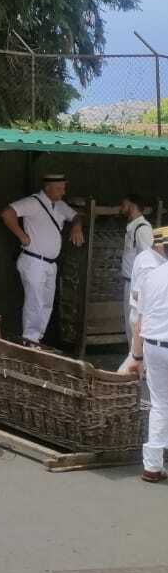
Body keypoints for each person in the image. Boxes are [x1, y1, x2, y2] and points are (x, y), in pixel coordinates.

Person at [1, 172, 84, 344]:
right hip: (34, 261)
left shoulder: (60, 205)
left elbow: (76, 216)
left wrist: (76, 226)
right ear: (48, 188)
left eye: (64, 188)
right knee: (35, 302)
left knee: (46, 304)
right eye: (60, 189)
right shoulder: (33, 202)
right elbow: (7, 213)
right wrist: (22, 236)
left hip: (50, 264)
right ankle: (29, 341)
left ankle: (36, 339)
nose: (63, 192)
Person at [122, 226, 168, 483]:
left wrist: (137, 358)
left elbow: (140, 321)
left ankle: (152, 465)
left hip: (153, 345)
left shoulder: (152, 277)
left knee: (160, 404)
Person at [119, 193, 155, 345]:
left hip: (137, 286)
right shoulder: (133, 228)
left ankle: (137, 362)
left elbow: (150, 261)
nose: (121, 208)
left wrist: (140, 289)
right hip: (130, 282)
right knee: (131, 324)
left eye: (124, 205)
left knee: (135, 325)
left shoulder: (142, 229)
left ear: (132, 206)